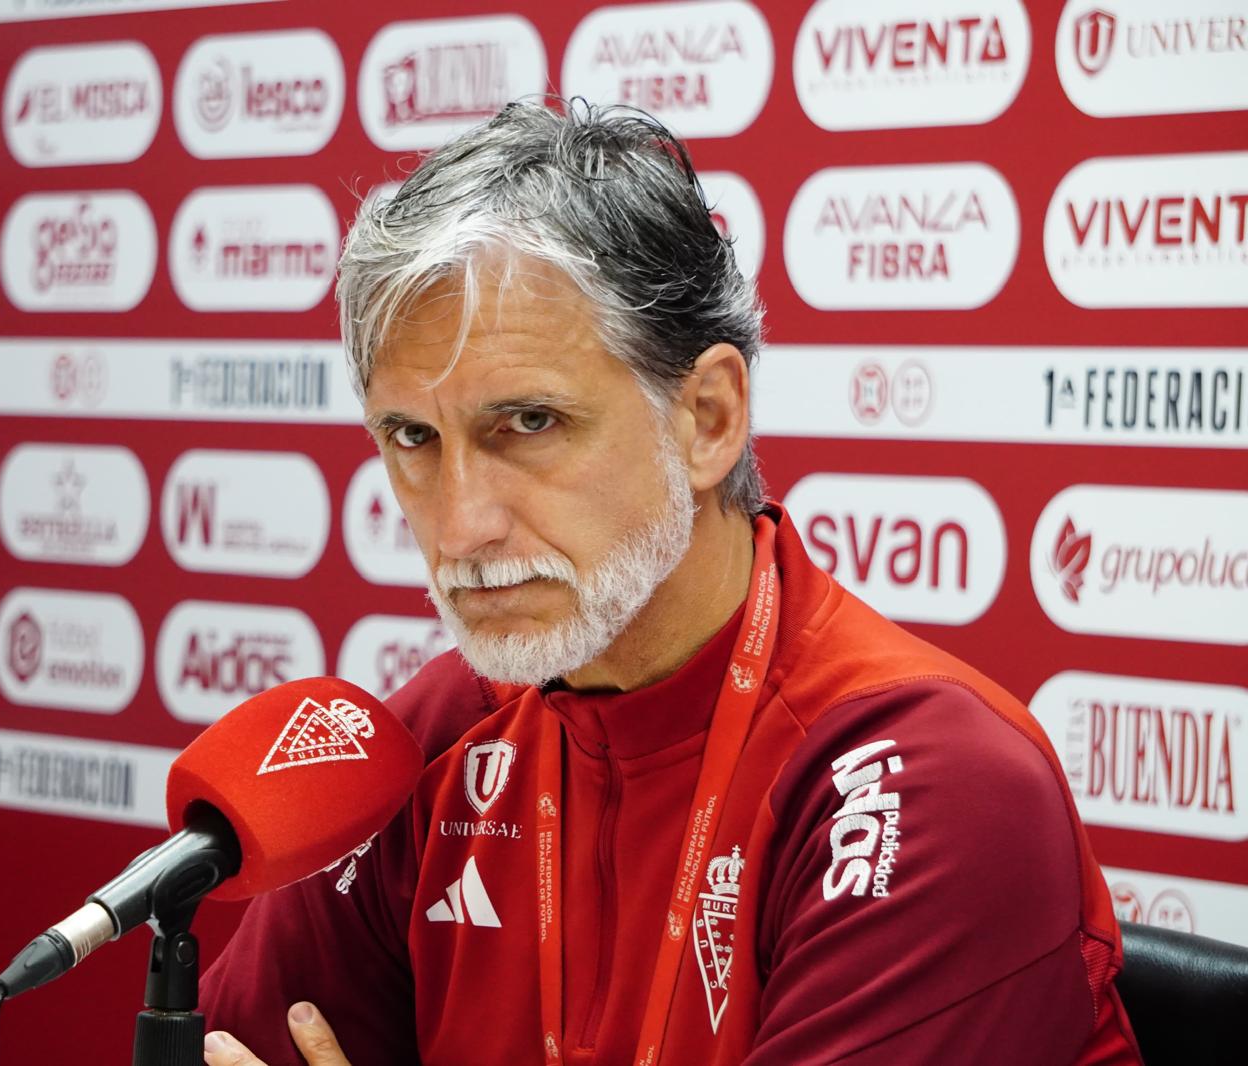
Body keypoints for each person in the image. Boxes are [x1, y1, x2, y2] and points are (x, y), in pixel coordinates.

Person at [196, 101, 1143, 1066]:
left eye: (527, 423)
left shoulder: (933, 785)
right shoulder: (439, 738)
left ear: (706, 418)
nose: (459, 523)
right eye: (412, 438)